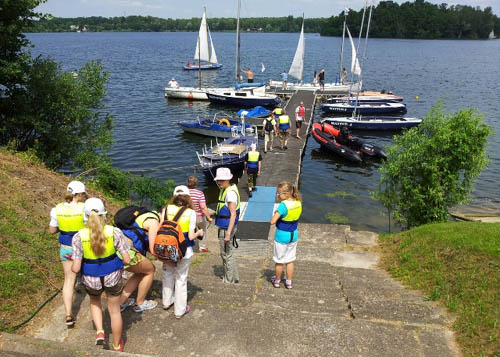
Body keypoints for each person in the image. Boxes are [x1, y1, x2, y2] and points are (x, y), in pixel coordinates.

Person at [71, 198, 130, 352]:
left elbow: (76, 268)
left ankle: (100, 332)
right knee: (115, 311)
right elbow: (127, 259)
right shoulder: (114, 232)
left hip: (91, 279)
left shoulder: (78, 237)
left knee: (95, 302)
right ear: (104, 215)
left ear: (85, 217)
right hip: (113, 276)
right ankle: (117, 345)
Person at [157, 185, 203, 318]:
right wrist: (199, 232)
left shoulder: (165, 209)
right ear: (188, 197)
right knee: (181, 279)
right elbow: (190, 237)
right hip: (183, 251)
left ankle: (166, 302)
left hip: (166, 248)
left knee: (167, 275)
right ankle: (180, 310)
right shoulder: (190, 213)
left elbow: (161, 228)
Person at [49, 180, 87, 328]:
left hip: (65, 248)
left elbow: (52, 230)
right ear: (78, 194)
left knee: (68, 281)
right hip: (81, 247)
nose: (84, 196)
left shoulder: (56, 209)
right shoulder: (84, 209)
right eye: (84, 194)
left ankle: (68, 315)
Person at [118, 209, 160, 313]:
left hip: (116, 247)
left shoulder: (140, 216)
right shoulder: (154, 222)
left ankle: (120, 303)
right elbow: (153, 250)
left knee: (140, 271)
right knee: (150, 269)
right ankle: (140, 303)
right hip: (127, 251)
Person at [269, 181, 302, 290]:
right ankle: (289, 282)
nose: (277, 195)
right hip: (294, 235)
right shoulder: (298, 202)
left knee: (279, 261)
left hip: (282, 236)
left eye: (279, 193)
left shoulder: (283, 205)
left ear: (287, 193)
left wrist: (275, 214)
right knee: (290, 260)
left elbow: (272, 221)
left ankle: (277, 281)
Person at [213, 168, 240, 284]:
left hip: (226, 228)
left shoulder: (230, 194)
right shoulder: (228, 189)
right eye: (218, 180)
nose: (219, 182)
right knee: (230, 252)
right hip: (226, 226)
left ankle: (229, 279)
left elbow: (233, 214)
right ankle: (234, 276)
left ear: (228, 179)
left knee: (226, 254)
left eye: (221, 180)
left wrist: (228, 233)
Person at [186, 176, 213, 253]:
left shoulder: (185, 194)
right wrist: (209, 218)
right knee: (203, 230)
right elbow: (203, 207)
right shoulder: (199, 193)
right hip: (199, 217)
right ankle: (202, 247)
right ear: (196, 184)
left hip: (188, 216)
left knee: (188, 231)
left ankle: (188, 246)